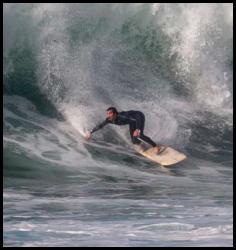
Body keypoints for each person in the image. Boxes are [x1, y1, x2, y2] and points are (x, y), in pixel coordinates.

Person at [85, 107, 161, 153]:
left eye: (110, 113)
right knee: (134, 142)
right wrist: (90, 132)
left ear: (115, 114)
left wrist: (137, 129)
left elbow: (136, 118)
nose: (108, 115)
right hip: (132, 122)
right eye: (107, 113)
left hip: (139, 117)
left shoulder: (123, 116)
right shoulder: (109, 119)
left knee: (139, 134)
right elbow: (101, 125)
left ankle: (156, 146)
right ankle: (143, 144)